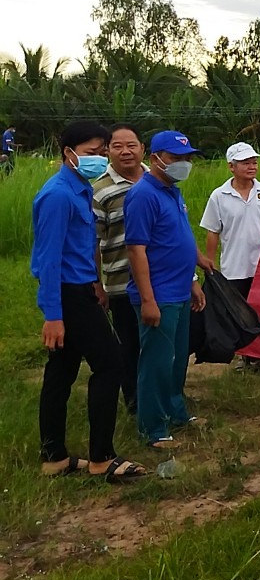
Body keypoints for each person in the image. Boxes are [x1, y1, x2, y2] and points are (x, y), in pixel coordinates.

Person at [31, 120, 147, 482]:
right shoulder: (58, 196)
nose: (97, 159)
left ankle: (55, 458)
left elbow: (81, 247)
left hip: (82, 288)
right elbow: (48, 260)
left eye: (101, 153)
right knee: (110, 364)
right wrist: (53, 315)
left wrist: (96, 283)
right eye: (90, 154)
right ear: (69, 154)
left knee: (62, 373)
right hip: (68, 293)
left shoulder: (79, 189)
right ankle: (102, 457)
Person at [125, 129, 215, 451]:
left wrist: (194, 274)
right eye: (177, 158)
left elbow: (179, 237)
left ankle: (176, 412)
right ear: (155, 159)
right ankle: (153, 428)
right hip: (158, 294)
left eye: (187, 158)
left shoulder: (172, 191)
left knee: (177, 360)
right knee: (157, 362)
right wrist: (148, 300)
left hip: (179, 289)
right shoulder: (142, 195)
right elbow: (137, 250)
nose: (183, 164)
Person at [92, 123, 146, 414]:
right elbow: (93, 241)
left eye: (131, 145)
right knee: (130, 344)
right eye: (117, 146)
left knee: (159, 344)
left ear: (142, 149)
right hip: (121, 282)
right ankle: (135, 401)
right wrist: (96, 284)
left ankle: (161, 395)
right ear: (107, 151)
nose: (125, 151)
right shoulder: (100, 191)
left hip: (161, 281)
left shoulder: (157, 179)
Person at [200, 142, 260, 300]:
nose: (252, 167)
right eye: (246, 163)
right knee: (237, 313)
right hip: (234, 269)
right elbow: (213, 232)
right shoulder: (219, 196)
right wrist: (210, 264)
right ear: (231, 167)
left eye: (254, 162)